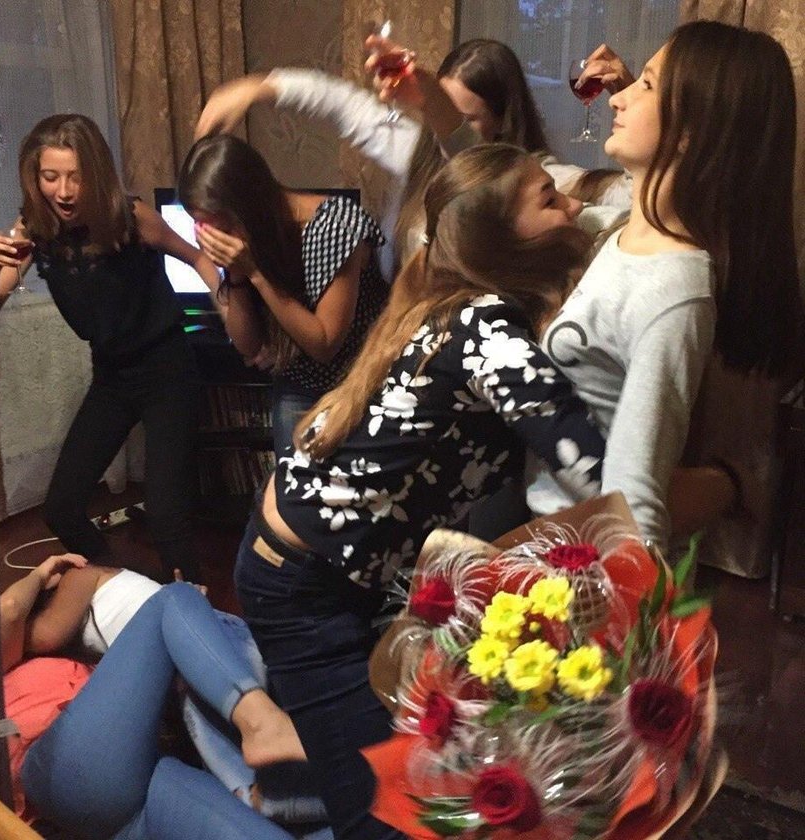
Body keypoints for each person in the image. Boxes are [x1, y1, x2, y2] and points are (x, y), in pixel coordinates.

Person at [234, 144, 607, 840]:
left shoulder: (459, 304)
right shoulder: (485, 325)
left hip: (322, 567)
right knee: (381, 812)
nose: (573, 206)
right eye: (549, 198)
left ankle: (291, 779)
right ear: (499, 239)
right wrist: (722, 486)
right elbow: (589, 467)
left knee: (384, 761)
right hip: (302, 584)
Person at [527, 22, 803, 550]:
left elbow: (634, 506)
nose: (618, 98)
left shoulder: (672, 291)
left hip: (568, 560)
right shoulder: (624, 231)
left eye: (647, 85)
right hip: (543, 535)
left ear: (694, 129)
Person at [0, 114, 221, 582]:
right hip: (112, 376)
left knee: (167, 514)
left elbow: (197, 257)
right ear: (34, 176)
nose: (63, 191)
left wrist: (229, 306)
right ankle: (122, 584)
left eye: (76, 176)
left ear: (96, 173)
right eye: (50, 176)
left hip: (168, 369)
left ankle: (192, 603)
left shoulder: (131, 217)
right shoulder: (33, 229)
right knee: (61, 509)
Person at [194, 39, 630, 278]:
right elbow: (341, 104)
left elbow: (634, 198)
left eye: (463, 118)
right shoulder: (419, 150)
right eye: (435, 106)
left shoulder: (540, 183)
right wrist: (259, 87)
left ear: (502, 119)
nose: (442, 125)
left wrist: (631, 100)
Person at [0, 555, 327, 839]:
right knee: (175, 597)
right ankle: (263, 726)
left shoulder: (103, 669)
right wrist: (41, 573)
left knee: (307, 823)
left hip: (130, 798)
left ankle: (275, 789)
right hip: (56, 763)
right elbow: (10, 608)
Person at [177, 135, 389, 458]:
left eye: (221, 227)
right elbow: (248, 345)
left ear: (247, 207)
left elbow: (325, 343)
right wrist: (235, 273)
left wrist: (255, 273)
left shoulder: (334, 225)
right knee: (291, 484)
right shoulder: (253, 235)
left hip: (359, 383)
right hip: (297, 383)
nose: (214, 237)